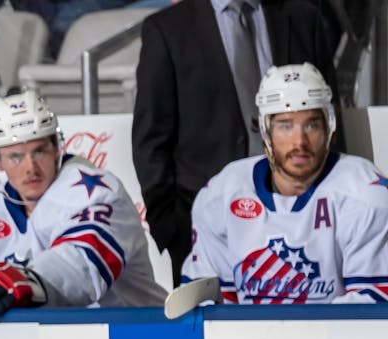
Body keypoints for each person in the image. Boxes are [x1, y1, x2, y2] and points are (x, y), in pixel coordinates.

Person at [132, 0, 338, 285]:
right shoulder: (167, 29)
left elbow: (329, 119)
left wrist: (332, 204)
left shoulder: (303, 18)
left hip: (304, 220)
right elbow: (151, 140)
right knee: (211, 329)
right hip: (205, 231)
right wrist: (172, 231)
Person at [184, 63, 388, 303]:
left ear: (329, 127)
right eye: (285, 126)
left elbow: (371, 309)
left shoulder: (364, 194)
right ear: (265, 131)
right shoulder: (221, 195)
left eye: (311, 124)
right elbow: (209, 308)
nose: (299, 141)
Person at [0, 90, 166, 320]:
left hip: (133, 334)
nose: (30, 168)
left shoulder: (97, 191)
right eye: (15, 157)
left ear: (57, 147)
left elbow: (84, 266)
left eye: (39, 151)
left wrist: (28, 280)